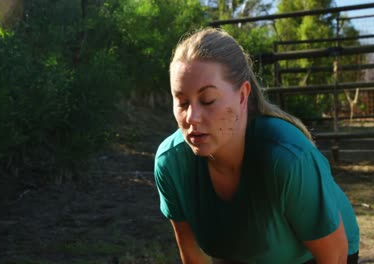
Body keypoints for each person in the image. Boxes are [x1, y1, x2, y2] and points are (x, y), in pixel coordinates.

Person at [154, 28, 359, 264]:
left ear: (242, 96)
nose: (192, 117)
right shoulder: (171, 163)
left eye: (207, 100)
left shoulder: (287, 158)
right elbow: (193, 256)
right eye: (182, 102)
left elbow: (334, 256)